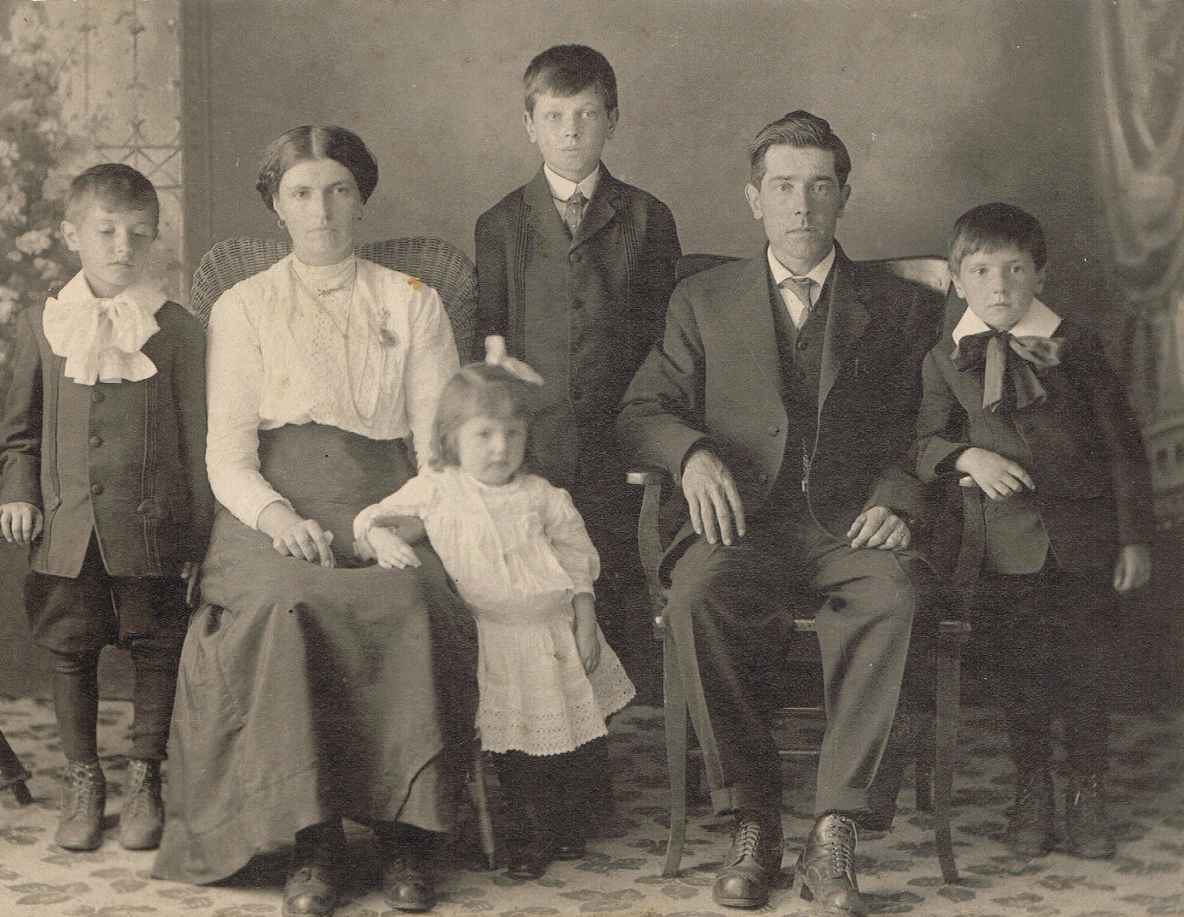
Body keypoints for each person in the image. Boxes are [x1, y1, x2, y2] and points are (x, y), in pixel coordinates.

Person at [617, 110, 943, 914]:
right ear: (754, 198)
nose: (802, 205)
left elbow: (937, 424)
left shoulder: (900, 306)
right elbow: (641, 409)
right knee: (700, 593)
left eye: (820, 187)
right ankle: (752, 818)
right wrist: (690, 453)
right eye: (784, 187)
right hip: (743, 522)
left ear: (844, 196)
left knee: (895, 595)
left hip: (853, 523)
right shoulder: (703, 298)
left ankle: (836, 827)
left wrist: (901, 496)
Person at [150, 126, 474, 917]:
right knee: (286, 603)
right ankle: (313, 837)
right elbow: (227, 455)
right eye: (301, 193)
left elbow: (440, 451)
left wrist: (387, 520)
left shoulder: (412, 301)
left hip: (390, 500)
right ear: (277, 205)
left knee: (411, 600)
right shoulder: (244, 305)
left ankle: (408, 832)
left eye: (337, 191)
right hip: (270, 507)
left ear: (361, 200)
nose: (321, 209)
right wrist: (276, 514)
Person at [914, 203, 1153, 860]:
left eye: (1015, 269)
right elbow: (923, 440)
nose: (999, 286)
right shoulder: (944, 357)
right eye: (982, 270)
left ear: (1039, 274)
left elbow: (1122, 447)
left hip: (1084, 540)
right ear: (959, 280)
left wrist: (1133, 537)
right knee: (1022, 671)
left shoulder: (1077, 346)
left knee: (1085, 667)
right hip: (1002, 546)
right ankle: (1033, 787)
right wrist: (967, 456)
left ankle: (1087, 788)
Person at [352, 339, 635, 882]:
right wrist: (377, 538)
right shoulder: (438, 490)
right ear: (451, 438)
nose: (500, 448)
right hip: (494, 636)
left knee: (572, 737)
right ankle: (530, 830)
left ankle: (563, 822)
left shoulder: (543, 496)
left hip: (551, 630)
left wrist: (586, 619)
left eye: (512, 434)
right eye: (483, 434)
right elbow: (373, 517)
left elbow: (578, 563)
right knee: (517, 747)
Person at [0, 162, 212, 853]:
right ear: (72, 234)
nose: (122, 246)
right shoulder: (44, 322)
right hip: (69, 528)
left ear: (154, 241)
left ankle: (146, 776)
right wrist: (20, 491)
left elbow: (200, 436)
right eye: (106, 230)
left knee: (155, 647)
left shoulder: (175, 329)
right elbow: (18, 432)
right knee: (71, 648)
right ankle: (84, 780)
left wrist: (200, 537)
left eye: (138, 234)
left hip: (151, 526)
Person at [474, 44, 681, 699]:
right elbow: (491, 344)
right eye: (555, 115)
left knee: (618, 575)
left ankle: (630, 717)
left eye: (587, 114)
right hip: (536, 440)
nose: (571, 130)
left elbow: (663, 340)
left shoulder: (647, 218)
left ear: (611, 122)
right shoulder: (501, 224)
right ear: (529, 124)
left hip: (621, 435)